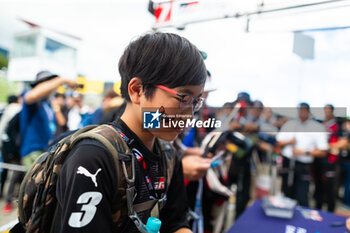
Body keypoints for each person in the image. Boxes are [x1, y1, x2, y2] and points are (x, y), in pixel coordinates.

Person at [54, 32, 207, 233]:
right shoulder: (93, 158)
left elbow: (176, 223)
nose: (188, 116)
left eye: (195, 102)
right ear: (137, 90)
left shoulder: (168, 156)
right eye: (183, 99)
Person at [20, 71, 78, 171]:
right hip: (33, 150)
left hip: (44, 149)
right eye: (50, 82)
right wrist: (62, 80)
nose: (53, 85)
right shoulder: (32, 98)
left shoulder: (47, 103)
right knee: (36, 185)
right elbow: (32, 96)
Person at [277, 103, 328, 207]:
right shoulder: (290, 124)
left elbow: (323, 151)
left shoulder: (317, 127)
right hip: (288, 163)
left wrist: (303, 152)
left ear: (309, 112)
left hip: (303, 165)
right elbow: (278, 142)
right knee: (286, 193)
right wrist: (289, 142)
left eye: (304, 110)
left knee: (302, 196)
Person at [0, 95, 21, 204]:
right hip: (13, 146)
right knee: (16, 171)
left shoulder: (6, 109)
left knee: (6, 171)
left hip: (5, 145)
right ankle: (12, 197)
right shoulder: (17, 108)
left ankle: (3, 192)